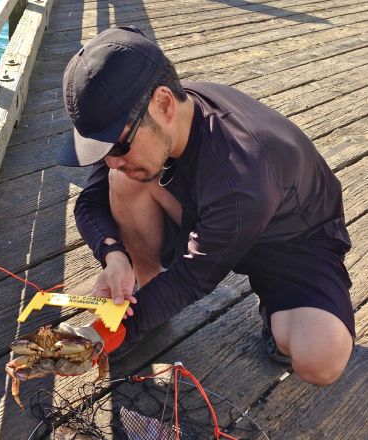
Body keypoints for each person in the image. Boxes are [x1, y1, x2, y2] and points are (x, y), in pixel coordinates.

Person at [56, 26, 354, 386]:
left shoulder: (243, 173)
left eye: (116, 147)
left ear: (163, 104)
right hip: (214, 210)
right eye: (100, 150)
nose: (110, 160)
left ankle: (278, 315)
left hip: (292, 244)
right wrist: (114, 254)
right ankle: (143, 291)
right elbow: (89, 202)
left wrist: (104, 335)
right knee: (125, 178)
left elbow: (191, 280)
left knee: (320, 359)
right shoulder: (155, 115)